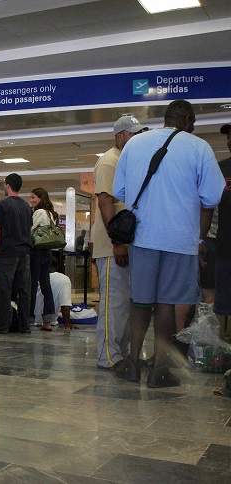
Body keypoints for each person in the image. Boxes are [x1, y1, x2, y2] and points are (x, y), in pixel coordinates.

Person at [113, 100, 224, 387]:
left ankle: (133, 364)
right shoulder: (199, 148)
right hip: (180, 239)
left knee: (140, 302)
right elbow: (212, 196)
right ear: (188, 119)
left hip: (144, 237)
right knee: (165, 304)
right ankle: (159, 370)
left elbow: (120, 190)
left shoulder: (135, 145)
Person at [92, 115, 144, 369]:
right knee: (114, 305)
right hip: (112, 246)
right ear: (120, 136)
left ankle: (120, 353)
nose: (138, 138)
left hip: (126, 244)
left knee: (125, 306)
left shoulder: (128, 161)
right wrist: (118, 241)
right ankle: (109, 357)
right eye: (134, 134)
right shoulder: (108, 161)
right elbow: (105, 202)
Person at [0, 173, 33, 334]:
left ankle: (2, 325)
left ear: (8, 186)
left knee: (5, 290)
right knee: (24, 291)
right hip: (24, 252)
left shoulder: (2, 205)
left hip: (8, 252)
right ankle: (24, 325)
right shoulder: (27, 207)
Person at [29, 187, 58, 332]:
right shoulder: (51, 213)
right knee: (46, 286)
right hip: (47, 252)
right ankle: (48, 320)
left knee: (32, 285)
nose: (31, 200)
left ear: (41, 198)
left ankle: (28, 318)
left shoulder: (39, 213)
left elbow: (31, 230)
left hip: (37, 252)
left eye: (33, 197)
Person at [212, 123, 231, 342]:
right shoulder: (221, 168)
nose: (229, 140)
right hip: (224, 249)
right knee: (224, 304)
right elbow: (211, 207)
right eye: (228, 136)